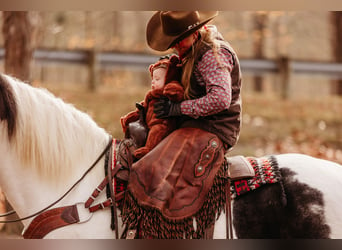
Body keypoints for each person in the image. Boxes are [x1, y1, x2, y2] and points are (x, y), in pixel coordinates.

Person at [147, 11, 242, 152]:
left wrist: (178, 108)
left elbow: (220, 99)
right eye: (173, 41)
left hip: (215, 127)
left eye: (181, 39)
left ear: (195, 32)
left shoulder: (212, 55)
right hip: (194, 123)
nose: (176, 45)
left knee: (164, 160)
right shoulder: (191, 50)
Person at [120, 54, 184, 159]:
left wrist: (172, 91)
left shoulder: (167, 90)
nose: (153, 82)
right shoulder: (151, 95)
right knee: (134, 121)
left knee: (156, 131)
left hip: (162, 123)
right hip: (149, 121)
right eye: (153, 79)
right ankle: (130, 143)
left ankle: (148, 150)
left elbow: (177, 91)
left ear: (168, 79)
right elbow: (145, 105)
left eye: (157, 79)